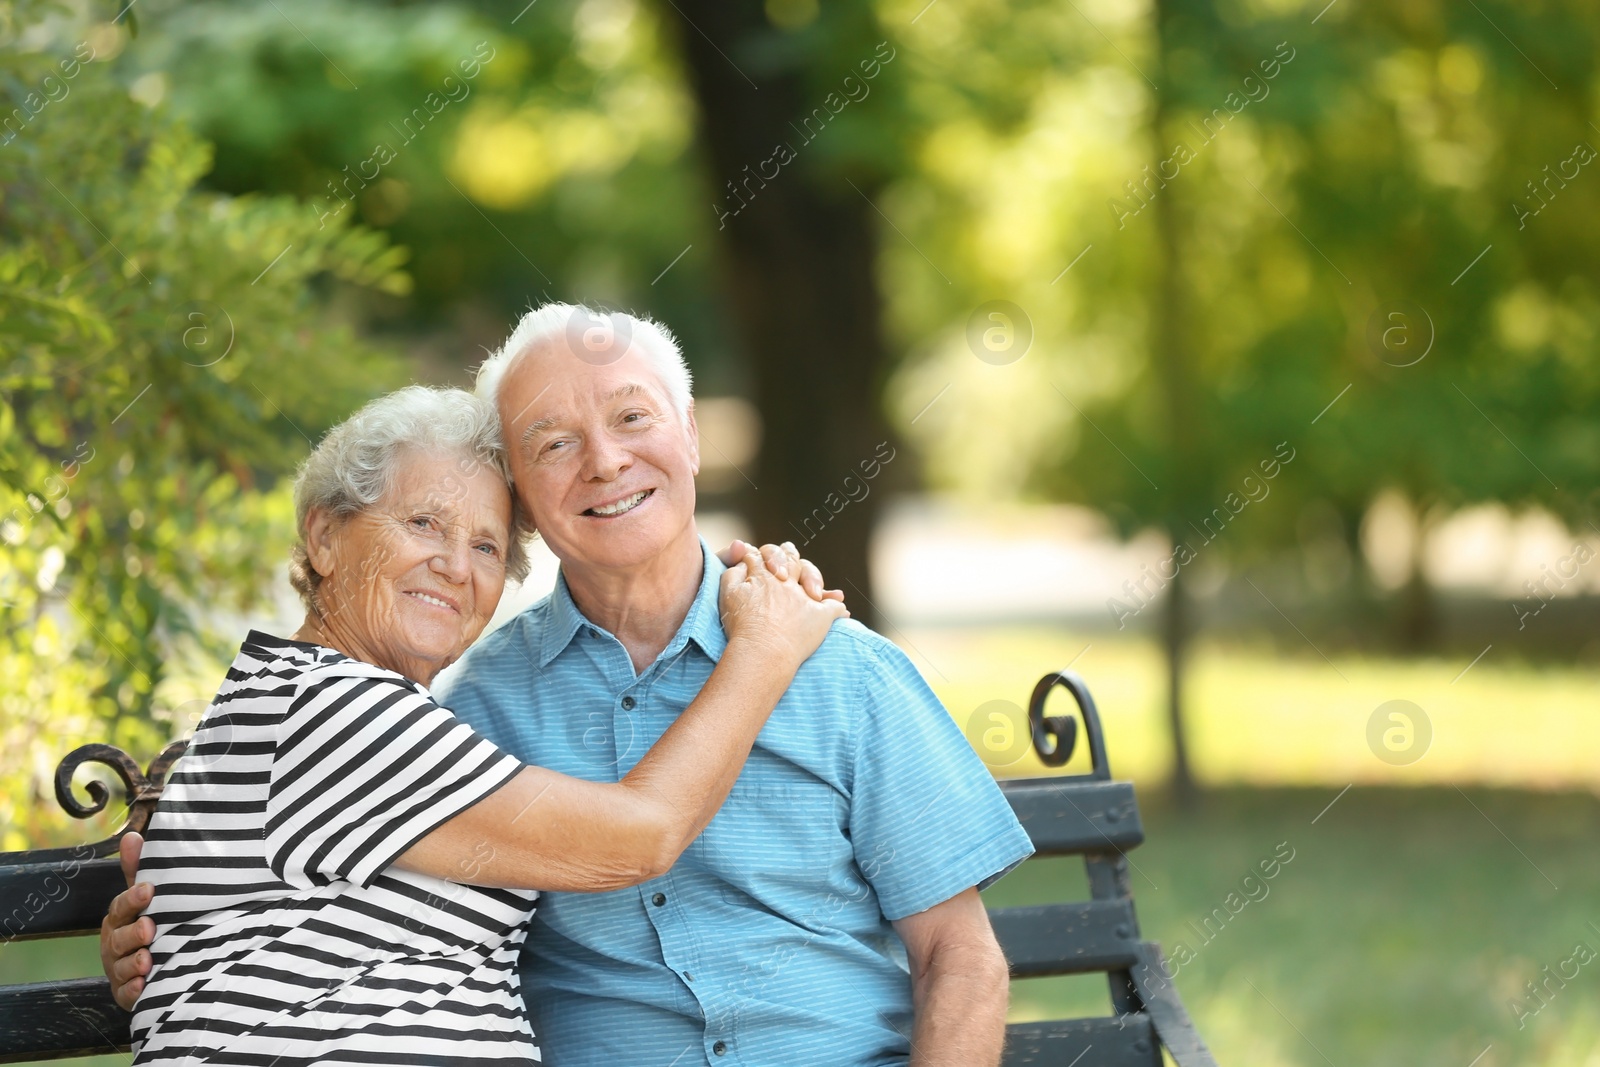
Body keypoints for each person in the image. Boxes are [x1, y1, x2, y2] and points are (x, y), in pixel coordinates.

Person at [106, 304, 1036, 1066]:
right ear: (528, 491)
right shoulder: (475, 708)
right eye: (552, 444)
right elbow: (615, 839)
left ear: (692, 434)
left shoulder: (847, 673)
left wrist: (193, 912)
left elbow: (960, 957)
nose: (604, 461)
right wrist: (184, 922)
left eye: (632, 416)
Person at [120, 384, 847, 1064]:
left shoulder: (319, 702)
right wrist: (763, 650)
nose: (455, 567)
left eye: (486, 546)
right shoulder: (335, 711)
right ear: (325, 536)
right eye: (424, 523)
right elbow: (642, 835)